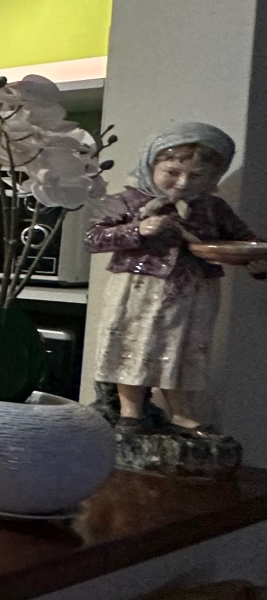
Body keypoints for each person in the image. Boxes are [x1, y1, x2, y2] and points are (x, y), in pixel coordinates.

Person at [86, 121, 267, 433]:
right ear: (152, 164)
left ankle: (181, 412)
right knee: (134, 344)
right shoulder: (128, 201)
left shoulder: (213, 207)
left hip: (194, 289)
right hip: (138, 287)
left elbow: (242, 238)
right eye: (172, 172)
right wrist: (137, 230)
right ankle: (130, 410)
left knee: (184, 347)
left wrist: (254, 256)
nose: (182, 183)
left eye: (196, 176)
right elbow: (94, 238)